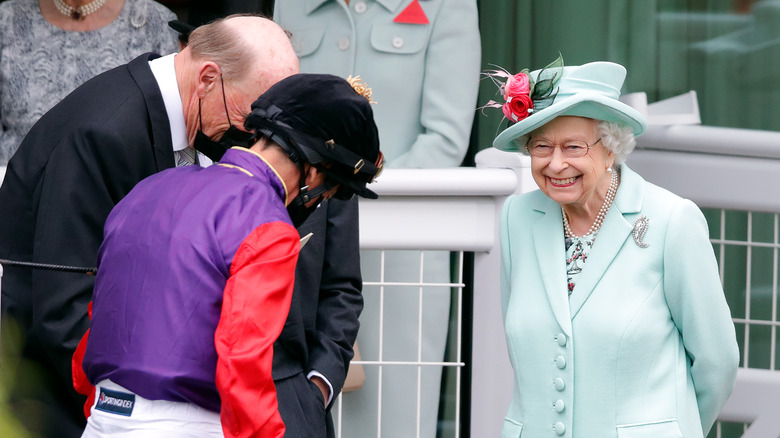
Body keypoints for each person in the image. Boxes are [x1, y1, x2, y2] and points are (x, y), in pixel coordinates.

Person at [0, 14, 298, 437]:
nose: (251, 136)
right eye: (250, 117)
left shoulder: (168, 117)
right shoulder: (103, 133)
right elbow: (62, 303)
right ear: (208, 78)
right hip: (58, 404)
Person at [73, 73, 384, 438]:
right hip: (189, 423)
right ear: (315, 171)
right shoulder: (266, 221)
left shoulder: (149, 188)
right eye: (331, 192)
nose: (322, 201)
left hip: (103, 416)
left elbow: (101, 318)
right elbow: (243, 362)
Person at [490, 57, 740, 437]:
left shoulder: (672, 221)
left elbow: (717, 362)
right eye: (541, 146)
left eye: (573, 146)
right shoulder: (517, 219)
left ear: (611, 147)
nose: (556, 164)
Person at [273, 2, 481, 436]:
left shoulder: (448, 5)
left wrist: (345, 196)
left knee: (398, 412)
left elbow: (445, 138)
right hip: (300, 238)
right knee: (294, 402)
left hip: (404, 251)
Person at [0, 0, 181, 165]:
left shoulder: (154, 21)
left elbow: (173, 129)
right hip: (12, 184)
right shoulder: (7, 18)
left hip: (114, 189)